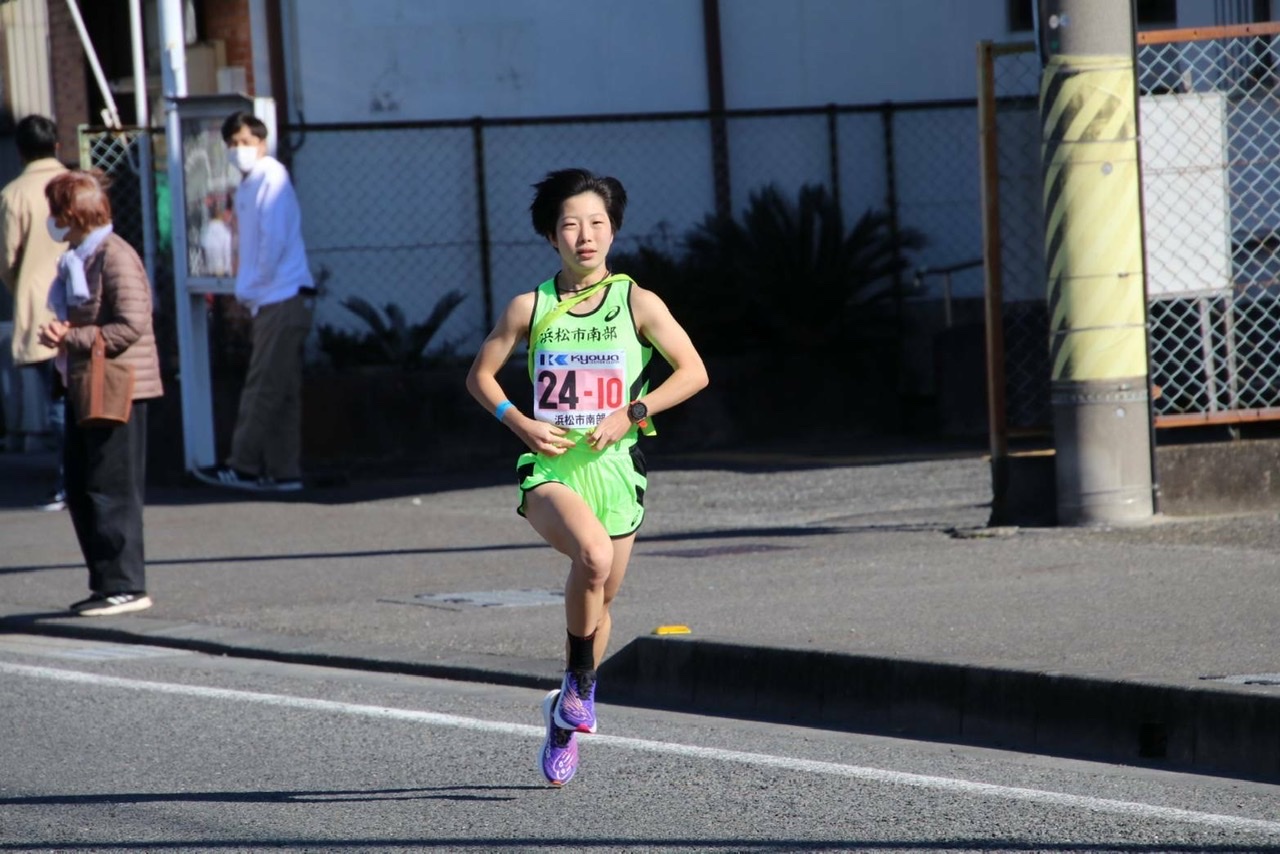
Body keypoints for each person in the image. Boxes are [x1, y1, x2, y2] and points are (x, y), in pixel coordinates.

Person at [465, 168, 708, 786]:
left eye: (597, 223)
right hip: (551, 470)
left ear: (614, 230)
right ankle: (578, 686)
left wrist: (634, 410)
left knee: (600, 603)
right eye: (571, 224)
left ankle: (565, 715)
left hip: (616, 470)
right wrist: (518, 421)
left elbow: (692, 372)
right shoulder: (530, 306)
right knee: (592, 559)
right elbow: (480, 377)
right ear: (551, 235)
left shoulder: (639, 303)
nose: (585, 235)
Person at [37, 170, 162, 616]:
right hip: (84, 384)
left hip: (118, 387)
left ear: (73, 213)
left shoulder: (114, 256)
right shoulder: (79, 257)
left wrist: (71, 336)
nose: (52, 220)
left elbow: (132, 324)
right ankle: (106, 583)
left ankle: (126, 584)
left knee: (111, 487)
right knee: (82, 484)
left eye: (56, 211)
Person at [193, 111, 314, 493]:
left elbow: (272, 242)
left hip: (280, 295)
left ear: (262, 143)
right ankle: (285, 472)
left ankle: (242, 466)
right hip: (272, 298)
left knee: (262, 385)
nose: (237, 150)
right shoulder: (247, 184)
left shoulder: (271, 177)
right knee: (282, 389)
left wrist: (251, 287)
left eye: (244, 142)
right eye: (231, 143)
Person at [0, 114, 68, 509]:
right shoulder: (80, 184)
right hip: (84, 308)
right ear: (57, 145)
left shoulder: (15, 193)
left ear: (20, 150)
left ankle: (68, 481)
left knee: (59, 400)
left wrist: (23, 285)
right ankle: (83, 477)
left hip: (42, 309)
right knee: (81, 400)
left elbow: (7, 260)